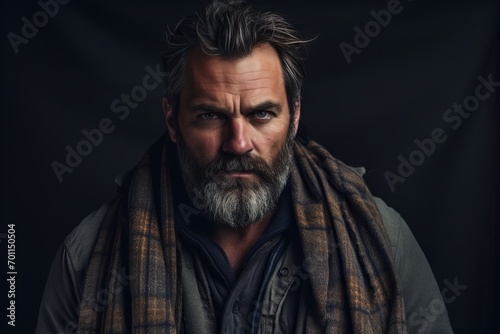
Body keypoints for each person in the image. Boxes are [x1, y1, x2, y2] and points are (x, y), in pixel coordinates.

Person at [36, 0, 453, 333]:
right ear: (171, 120)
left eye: (261, 115)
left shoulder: (381, 239)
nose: (238, 143)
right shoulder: (87, 257)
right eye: (210, 116)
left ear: (294, 117)